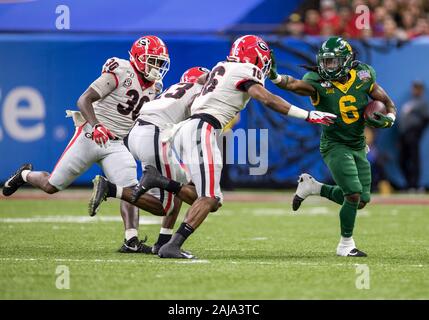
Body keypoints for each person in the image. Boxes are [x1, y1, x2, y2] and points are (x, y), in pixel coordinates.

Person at [127, 35, 337, 259]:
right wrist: (308, 115)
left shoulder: (222, 66)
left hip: (188, 129)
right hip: (202, 129)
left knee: (211, 199)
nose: (263, 65)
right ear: (255, 56)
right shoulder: (246, 70)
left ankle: (162, 187)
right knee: (208, 198)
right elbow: (267, 99)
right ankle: (172, 245)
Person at [2, 35, 170, 253]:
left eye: (159, 62)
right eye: (152, 60)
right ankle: (24, 175)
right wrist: (97, 125)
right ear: (138, 58)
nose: (156, 66)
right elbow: (84, 100)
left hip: (116, 144)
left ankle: (131, 240)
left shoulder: (156, 87)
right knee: (52, 185)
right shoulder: (120, 70)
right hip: (91, 135)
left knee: (128, 190)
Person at [269, 36, 396, 257]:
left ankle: (313, 188)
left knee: (362, 201)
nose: (328, 66)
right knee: (353, 194)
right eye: (325, 61)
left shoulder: (364, 75)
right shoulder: (316, 81)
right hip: (334, 144)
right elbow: (294, 84)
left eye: (333, 61)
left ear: (346, 61)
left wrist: (390, 118)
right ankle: (346, 245)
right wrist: (276, 77)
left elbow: (387, 102)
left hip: (358, 144)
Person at [89, 66, 210, 255]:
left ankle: (163, 242)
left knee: (181, 182)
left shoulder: (175, 90)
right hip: (153, 135)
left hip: (138, 134)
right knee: (164, 206)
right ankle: (112, 189)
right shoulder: (196, 93)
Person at [398, 81, 429, 190]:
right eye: (414, 88)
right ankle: (408, 183)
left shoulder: (423, 103)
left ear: (421, 90)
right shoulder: (409, 102)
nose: (415, 90)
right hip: (403, 134)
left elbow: (426, 119)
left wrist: (416, 132)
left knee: (414, 159)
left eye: (418, 88)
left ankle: (414, 185)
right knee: (402, 160)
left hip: (413, 134)